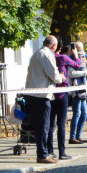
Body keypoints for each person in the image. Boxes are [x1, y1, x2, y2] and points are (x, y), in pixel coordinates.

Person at [24, 36, 62, 164]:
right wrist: (61, 77)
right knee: (43, 127)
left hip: (34, 94)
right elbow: (54, 75)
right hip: (40, 95)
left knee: (41, 126)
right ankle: (42, 154)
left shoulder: (37, 54)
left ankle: (43, 153)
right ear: (54, 46)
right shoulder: (45, 54)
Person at [50, 42, 81, 160]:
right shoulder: (63, 58)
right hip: (62, 93)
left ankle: (50, 150)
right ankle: (62, 152)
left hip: (51, 93)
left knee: (51, 123)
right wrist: (76, 54)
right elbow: (77, 65)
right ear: (60, 47)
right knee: (61, 124)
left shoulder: (49, 58)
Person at [68, 51, 87, 145]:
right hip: (76, 91)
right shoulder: (71, 63)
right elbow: (72, 74)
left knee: (85, 113)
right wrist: (84, 72)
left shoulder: (83, 64)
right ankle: (72, 137)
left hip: (84, 91)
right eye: (80, 56)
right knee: (77, 113)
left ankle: (78, 135)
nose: (82, 58)